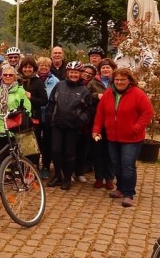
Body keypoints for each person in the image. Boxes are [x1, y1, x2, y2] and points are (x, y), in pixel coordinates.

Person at [92, 68, 154, 207]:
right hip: (113, 137)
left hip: (132, 138)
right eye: (117, 80)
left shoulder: (138, 94)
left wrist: (136, 128)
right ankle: (120, 188)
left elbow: (148, 113)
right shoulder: (109, 93)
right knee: (116, 164)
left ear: (129, 80)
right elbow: (100, 113)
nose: (119, 82)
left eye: (123, 80)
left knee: (127, 165)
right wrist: (96, 129)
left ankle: (128, 193)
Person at [45, 61, 93, 191]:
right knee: (55, 151)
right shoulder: (59, 85)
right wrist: (50, 119)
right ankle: (57, 176)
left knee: (69, 153)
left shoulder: (84, 90)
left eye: (76, 72)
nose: (73, 74)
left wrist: (80, 121)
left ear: (80, 74)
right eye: (71, 72)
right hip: (57, 125)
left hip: (73, 127)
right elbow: (51, 104)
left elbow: (88, 110)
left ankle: (67, 178)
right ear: (67, 73)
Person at [0, 66, 31, 171]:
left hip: (14, 128)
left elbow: (27, 109)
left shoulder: (20, 91)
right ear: (1, 76)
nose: (7, 76)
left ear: (15, 77)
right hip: (0, 127)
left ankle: (16, 172)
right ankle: (4, 173)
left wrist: (17, 116)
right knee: (0, 153)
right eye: (5, 74)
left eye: (10, 75)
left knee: (15, 153)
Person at [87, 58, 118, 190]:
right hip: (97, 121)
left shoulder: (117, 82)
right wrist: (96, 96)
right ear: (100, 70)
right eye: (103, 68)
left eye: (108, 67)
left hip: (113, 122)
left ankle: (110, 179)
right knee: (98, 151)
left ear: (113, 69)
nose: (105, 69)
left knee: (111, 152)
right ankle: (99, 178)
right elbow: (85, 97)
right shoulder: (93, 82)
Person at [17, 57, 48, 168]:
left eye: (30, 67)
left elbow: (44, 100)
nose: (27, 69)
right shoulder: (17, 81)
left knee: (33, 145)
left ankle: (33, 169)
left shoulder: (38, 82)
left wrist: (31, 97)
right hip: (20, 118)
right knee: (21, 145)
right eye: (25, 67)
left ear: (34, 68)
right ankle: (21, 169)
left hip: (33, 119)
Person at [36, 57, 59, 179]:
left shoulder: (55, 81)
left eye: (46, 66)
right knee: (36, 141)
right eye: (41, 65)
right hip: (36, 115)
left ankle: (45, 166)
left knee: (47, 143)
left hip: (49, 117)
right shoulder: (34, 80)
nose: (43, 68)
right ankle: (34, 166)